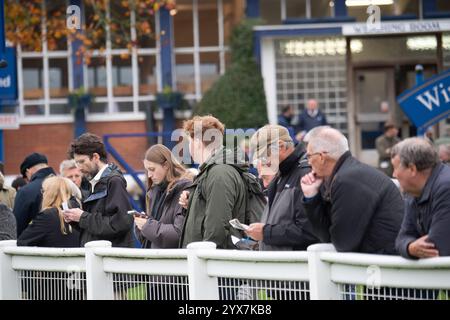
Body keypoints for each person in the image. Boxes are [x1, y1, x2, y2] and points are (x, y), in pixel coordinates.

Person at [300, 126, 404, 254]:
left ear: (321, 157)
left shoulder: (348, 179)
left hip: (385, 265)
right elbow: (327, 237)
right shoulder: (346, 174)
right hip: (382, 262)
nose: (308, 162)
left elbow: (343, 243)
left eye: (309, 156)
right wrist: (311, 196)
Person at [178, 115, 248, 249]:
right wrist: (192, 204)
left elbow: (217, 227)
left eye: (189, 142)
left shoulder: (218, 173)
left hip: (212, 264)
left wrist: (205, 259)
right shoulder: (214, 170)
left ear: (197, 142)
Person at [246, 125, 319, 251]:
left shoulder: (305, 173)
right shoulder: (282, 173)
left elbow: (310, 231)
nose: (264, 163)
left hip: (296, 266)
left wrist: (265, 232)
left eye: (264, 156)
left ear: (280, 146)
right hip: (281, 265)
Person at [63, 133, 134, 248]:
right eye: (76, 162)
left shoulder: (114, 181)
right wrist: (74, 219)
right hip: (97, 258)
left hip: (110, 260)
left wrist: (82, 217)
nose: (79, 167)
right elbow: (94, 227)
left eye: (82, 161)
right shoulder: (92, 182)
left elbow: (121, 223)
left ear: (95, 157)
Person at [391, 138, 450, 259]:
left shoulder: (446, 188)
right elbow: (401, 239)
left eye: (395, 168)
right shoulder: (413, 192)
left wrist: (409, 246)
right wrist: (410, 247)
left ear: (412, 169)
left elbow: (435, 248)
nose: (394, 175)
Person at [134, 144, 193, 248]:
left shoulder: (185, 190)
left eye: (152, 169)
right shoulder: (155, 191)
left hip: (172, 261)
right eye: (147, 170)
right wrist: (141, 225)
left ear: (166, 165)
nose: (149, 175)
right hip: (156, 259)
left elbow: (179, 234)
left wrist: (147, 225)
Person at [17, 176, 80, 247]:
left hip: (55, 257)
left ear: (49, 194)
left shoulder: (47, 216)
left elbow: (22, 241)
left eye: (43, 191)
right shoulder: (80, 211)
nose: (42, 195)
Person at [13, 152, 56, 236]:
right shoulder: (67, 184)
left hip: (36, 245)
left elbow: (18, 225)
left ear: (28, 171)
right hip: (71, 246)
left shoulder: (25, 191)